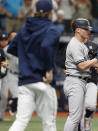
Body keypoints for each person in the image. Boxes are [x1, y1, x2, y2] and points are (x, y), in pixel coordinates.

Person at [8, 0, 61, 130]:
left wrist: (29, 58)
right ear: (50, 12)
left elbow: (11, 49)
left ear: (35, 11)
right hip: (44, 80)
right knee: (49, 123)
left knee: (21, 121)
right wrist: (48, 69)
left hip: (25, 80)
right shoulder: (52, 29)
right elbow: (46, 46)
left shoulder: (25, 28)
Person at [63, 18, 98, 131]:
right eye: (85, 29)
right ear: (77, 30)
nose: (88, 31)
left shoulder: (80, 45)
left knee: (79, 118)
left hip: (80, 81)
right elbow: (81, 66)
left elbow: (93, 65)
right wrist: (97, 58)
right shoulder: (75, 44)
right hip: (75, 81)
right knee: (74, 118)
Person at [0, 31, 8, 121]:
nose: (3, 42)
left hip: (3, 77)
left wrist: (5, 63)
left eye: (5, 40)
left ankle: (0, 116)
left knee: (4, 96)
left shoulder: (1, 50)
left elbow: (5, 60)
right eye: (1, 40)